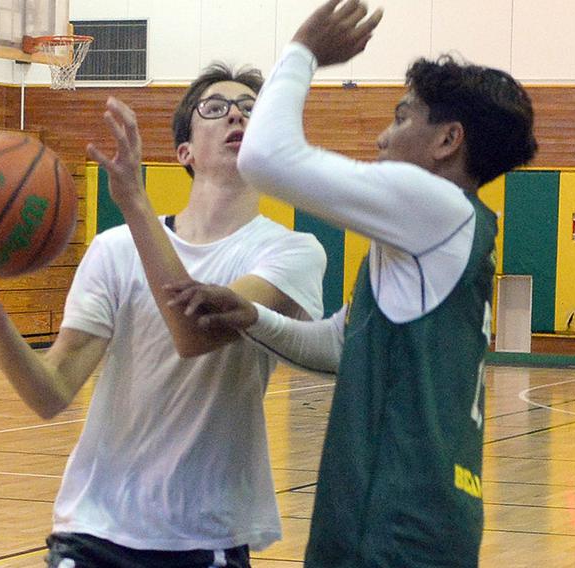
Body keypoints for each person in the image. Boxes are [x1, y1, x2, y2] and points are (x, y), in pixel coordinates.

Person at [166, 1, 538, 566]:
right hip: (416, 515)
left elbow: (265, 158)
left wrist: (303, 51)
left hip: (393, 520)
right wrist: (253, 318)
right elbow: (343, 347)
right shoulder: (444, 229)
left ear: (447, 141)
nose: (383, 138)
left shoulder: (433, 204)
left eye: (402, 117)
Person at [0, 62, 326, 568]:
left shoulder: (293, 253)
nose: (237, 116)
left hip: (205, 535)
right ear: (185, 151)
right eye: (216, 108)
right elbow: (49, 393)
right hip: (94, 528)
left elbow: (196, 332)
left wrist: (134, 202)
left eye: (252, 109)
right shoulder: (114, 249)